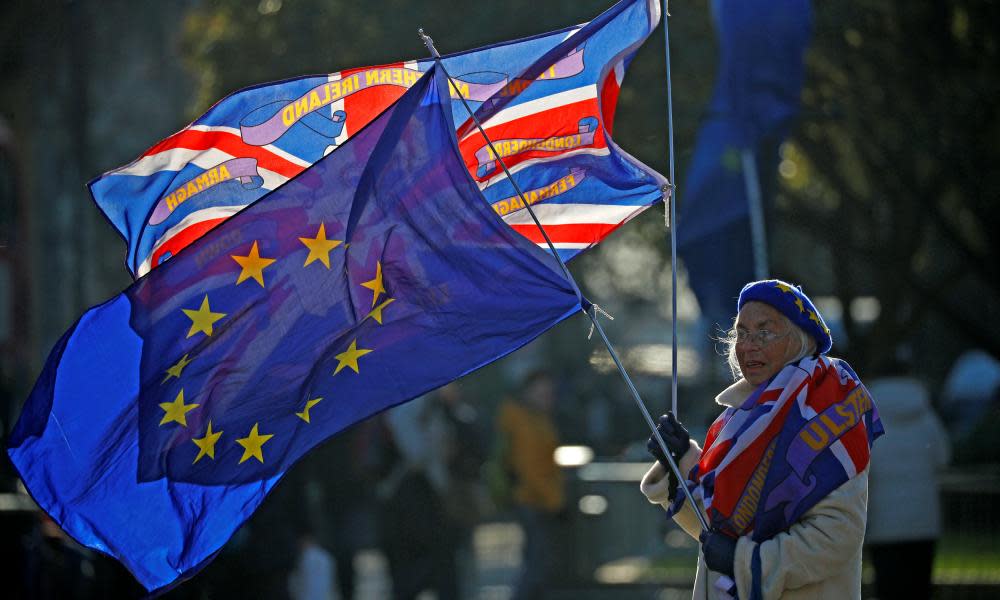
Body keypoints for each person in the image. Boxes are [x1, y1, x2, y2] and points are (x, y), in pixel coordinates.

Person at [640, 279, 883, 599]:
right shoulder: (736, 419)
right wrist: (680, 462)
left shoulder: (828, 412)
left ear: (799, 341)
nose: (749, 344)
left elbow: (835, 539)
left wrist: (745, 561)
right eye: (741, 333)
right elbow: (713, 529)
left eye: (764, 332)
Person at [865, 367, 950, 600]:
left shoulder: (870, 419)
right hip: (924, 520)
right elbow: (943, 458)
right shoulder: (927, 417)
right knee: (920, 588)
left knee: (889, 588)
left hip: (885, 523)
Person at [497, 370, 565, 600]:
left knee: (536, 561)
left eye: (550, 393)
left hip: (535, 498)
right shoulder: (524, 422)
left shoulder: (535, 418)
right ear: (528, 392)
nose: (548, 397)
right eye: (542, 392)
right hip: (532, 500)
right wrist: (555, 502)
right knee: (537, 565)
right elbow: (531, 469)